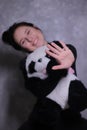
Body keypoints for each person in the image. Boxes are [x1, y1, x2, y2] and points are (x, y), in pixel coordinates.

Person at [2, 22, 87, 130]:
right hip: (43, 117)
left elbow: (70, 53)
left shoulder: (63, 48)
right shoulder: (27, 65)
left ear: (36, 28)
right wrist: (57, 71)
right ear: (23, 49)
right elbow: (39, 90)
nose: (30, 39)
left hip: (70, 116)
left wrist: (68, 59)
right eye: (23, 41)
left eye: (28, 32)